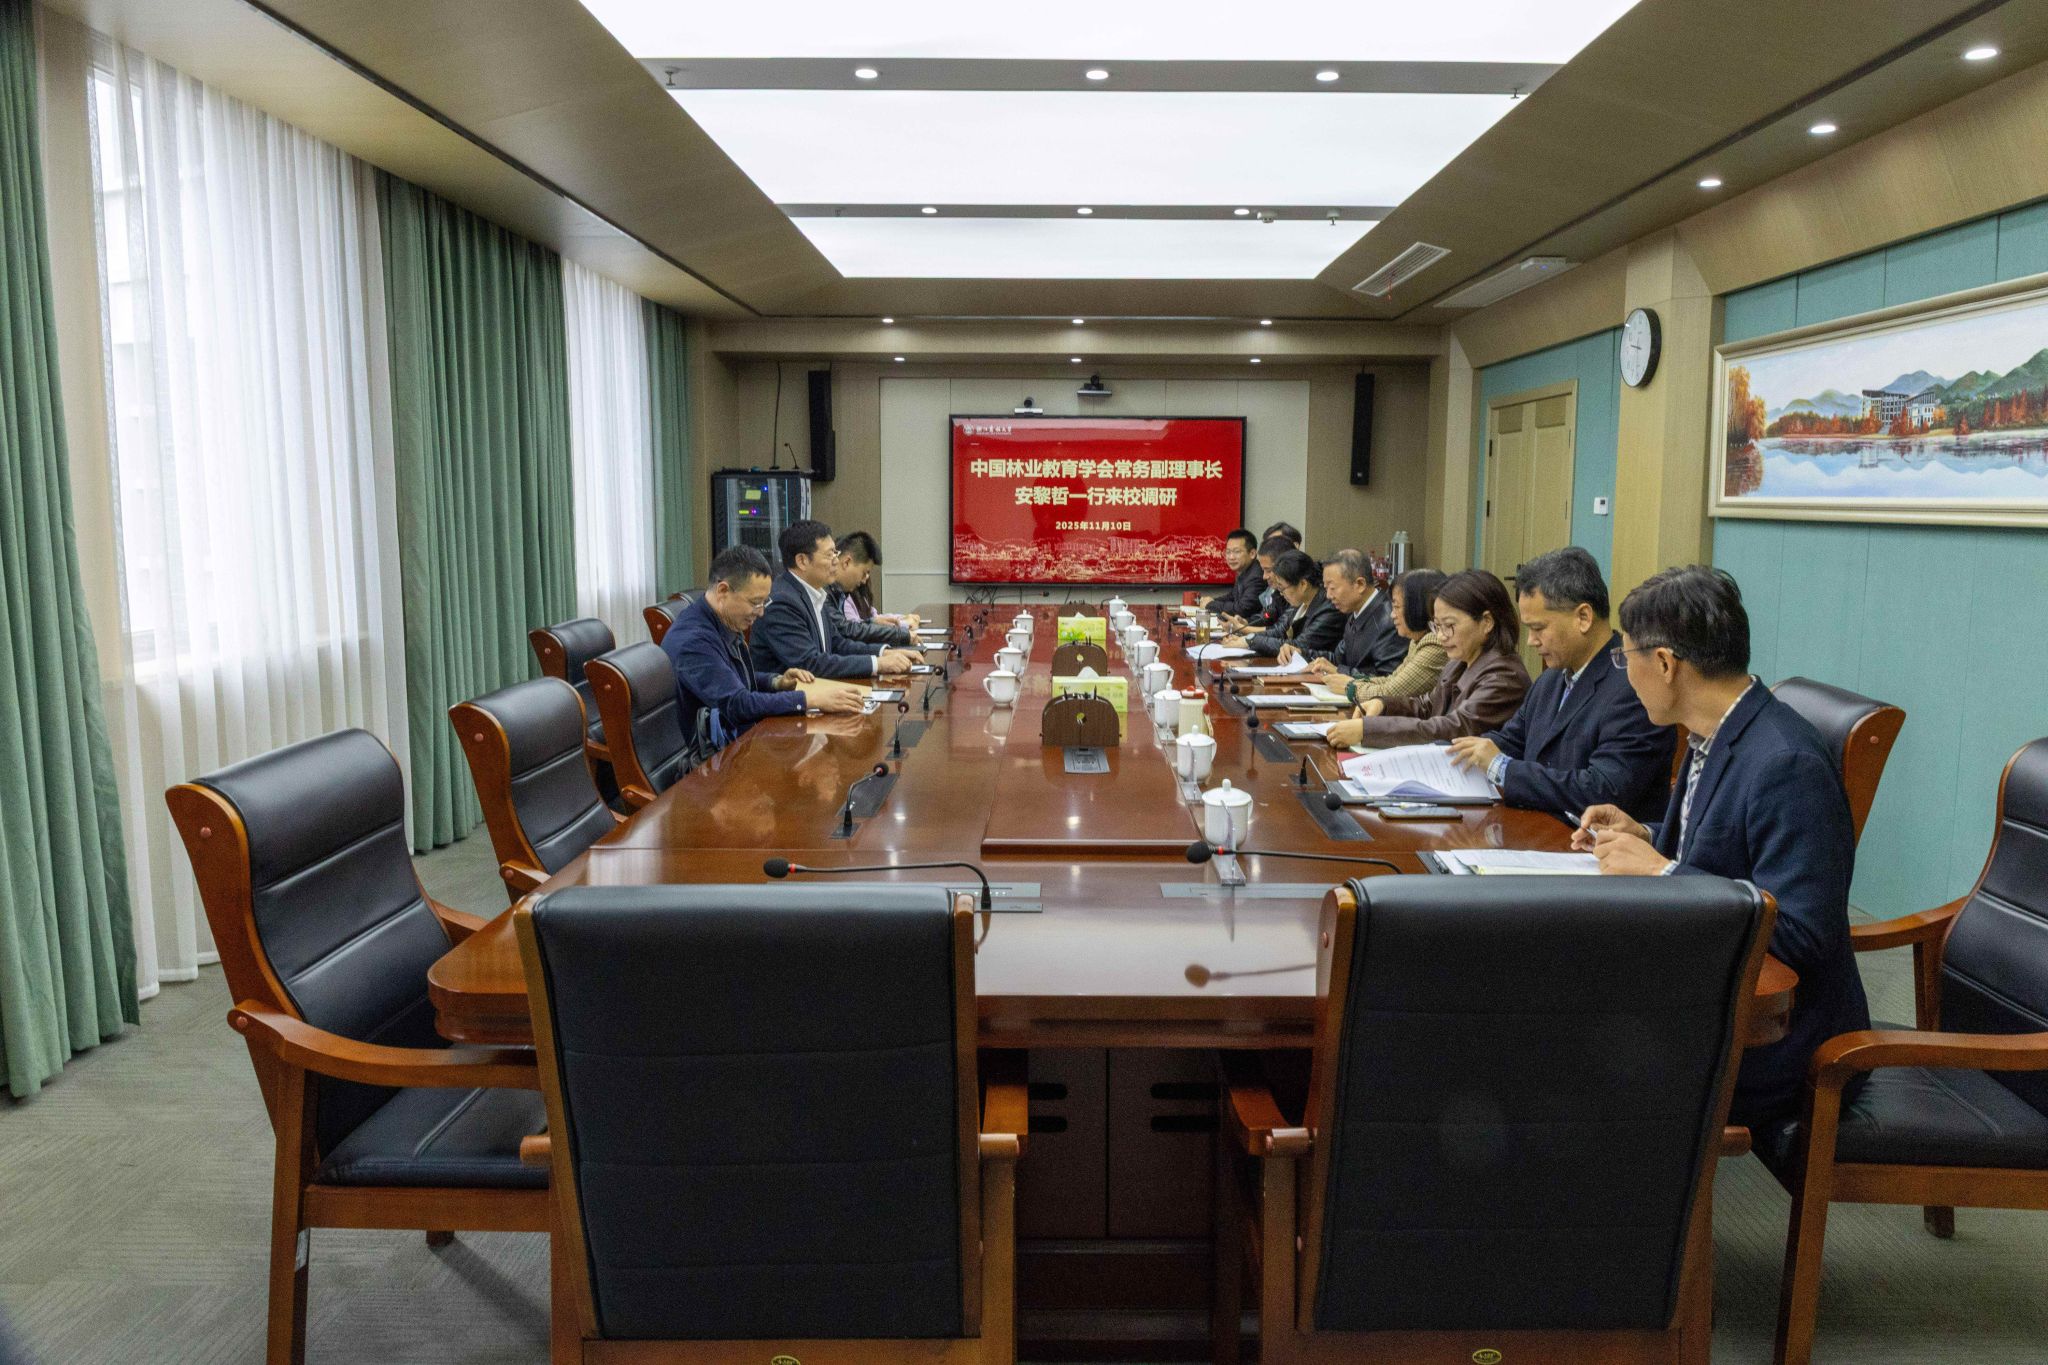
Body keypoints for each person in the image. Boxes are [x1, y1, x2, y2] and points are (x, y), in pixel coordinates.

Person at [1573, 564, 1867, 1126]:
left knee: (1572, 1053)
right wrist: (1645, 835)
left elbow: (1803, 935)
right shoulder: (1718, 730)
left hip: (1782, 1038)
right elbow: (1725, 849)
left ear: (1665, 664)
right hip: (1712, 986)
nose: (1625, 675)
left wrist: (1661, 872)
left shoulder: (1786, 762)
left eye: (1625, 658)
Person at [1447, 546, 1675, 822]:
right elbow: (1511, 741)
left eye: (1538, 628)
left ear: (1583, 617)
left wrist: (1502, 768)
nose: (1531, 641)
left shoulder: (1634, 685)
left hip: (1594, 842)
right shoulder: (1552, 678)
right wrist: (1447, 754)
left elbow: (1603, 789)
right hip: (1536, 831)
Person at [663, 544, 867, 750]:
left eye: (764, 602)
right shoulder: (693, 641)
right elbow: (737, 704)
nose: (761, 612)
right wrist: (810, 699)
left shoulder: (721, 619)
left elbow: (732, 678)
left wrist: (777, 682)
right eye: (755, 602)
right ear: (723, 591)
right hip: (713, 758)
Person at [1326, 568, 1529, 747]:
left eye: (1449, 626)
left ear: (1486, 622)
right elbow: (1428, 706)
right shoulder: (1459, 662)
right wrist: (1384, 705)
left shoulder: (1504, 676)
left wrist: (1369, 730)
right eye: (1437, 626)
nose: (1440, 636)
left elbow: (1454, 727)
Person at [754, 520, 920, 680]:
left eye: (836, 553)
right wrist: (877, 664)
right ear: (802, 561)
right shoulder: (782, 602)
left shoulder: (815, 592)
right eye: (829, 554)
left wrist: (884, 652)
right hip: (791, 697)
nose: (836, 561)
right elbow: (809, 663)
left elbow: (838, 644)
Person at [1317, 569, 1450, 722]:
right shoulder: (1418, 640)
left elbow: (1392, 692)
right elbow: (1391, 680)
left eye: (1397, 607)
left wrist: (1351, 688)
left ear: (1417, 608)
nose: (1392, 614)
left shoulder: (1435, 643)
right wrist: (1349, 681)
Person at [1281, 548, 1406, 676]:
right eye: (1326, 588)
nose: (1328, 595)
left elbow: (1388, 679)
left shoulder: (1390, 620)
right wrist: (1301, 654)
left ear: (1360, 584)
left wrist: (1339, 671)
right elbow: (1338, 659)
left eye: (1332, 588)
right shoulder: (1356, 612)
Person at [1229, 549, 1341, 657]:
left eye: (1282, 588)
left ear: (1303, 584)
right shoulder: (1300, 603)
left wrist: (1252, 641)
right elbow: (1280, 632)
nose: (1281, 594)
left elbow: (1298, 646)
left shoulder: (1328, 609)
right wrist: (1247, 638)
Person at [829, 531, 915, 648]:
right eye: (864, 572)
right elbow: (847, 631)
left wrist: (872, 622)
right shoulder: (824, 594)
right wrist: (899, 635)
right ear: (847, 562)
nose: (864, 580)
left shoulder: (839, 593)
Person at [1204, 528, 1263, 616]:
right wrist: (1211, 601)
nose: (1231, 557)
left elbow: (1243, 609)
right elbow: (1232, 596)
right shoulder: (1245, 571)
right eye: (1228, 552)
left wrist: (1210, 604)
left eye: (1237, 552)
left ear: (1252, 554)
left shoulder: (1256, 576)